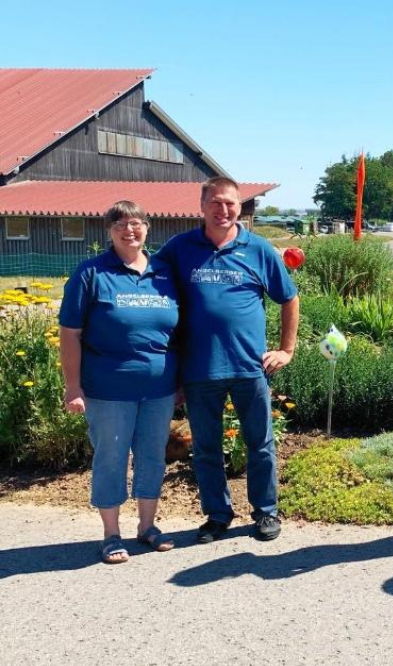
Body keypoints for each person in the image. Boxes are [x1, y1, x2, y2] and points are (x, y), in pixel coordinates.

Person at [156, 176, 299, 543]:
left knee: (260, 445)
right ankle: (217, 515)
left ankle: (265, 511)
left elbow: (289, 297)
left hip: (250, 367)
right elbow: (148, 280)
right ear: (202, 206)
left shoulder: (259, 249)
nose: (223, 210)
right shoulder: (179, 249)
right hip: (199, 369)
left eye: (230, 203)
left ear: (239, 206)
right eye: (216, 203)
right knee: (206, 448)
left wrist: (286, 350)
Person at [59, 201, 179, 563]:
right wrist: (72, 386)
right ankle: (111, 535)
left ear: (147, 228)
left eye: (136, 223)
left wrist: (181, 381)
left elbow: (180, 332)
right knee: (111, 458)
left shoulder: (165, 272)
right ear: (109, 231)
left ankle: (147, 526)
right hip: (108, 390)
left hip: (159, 389)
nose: (130, 230)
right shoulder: (91, 273)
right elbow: (70, 332)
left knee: (152, 456)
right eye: (120, 225)